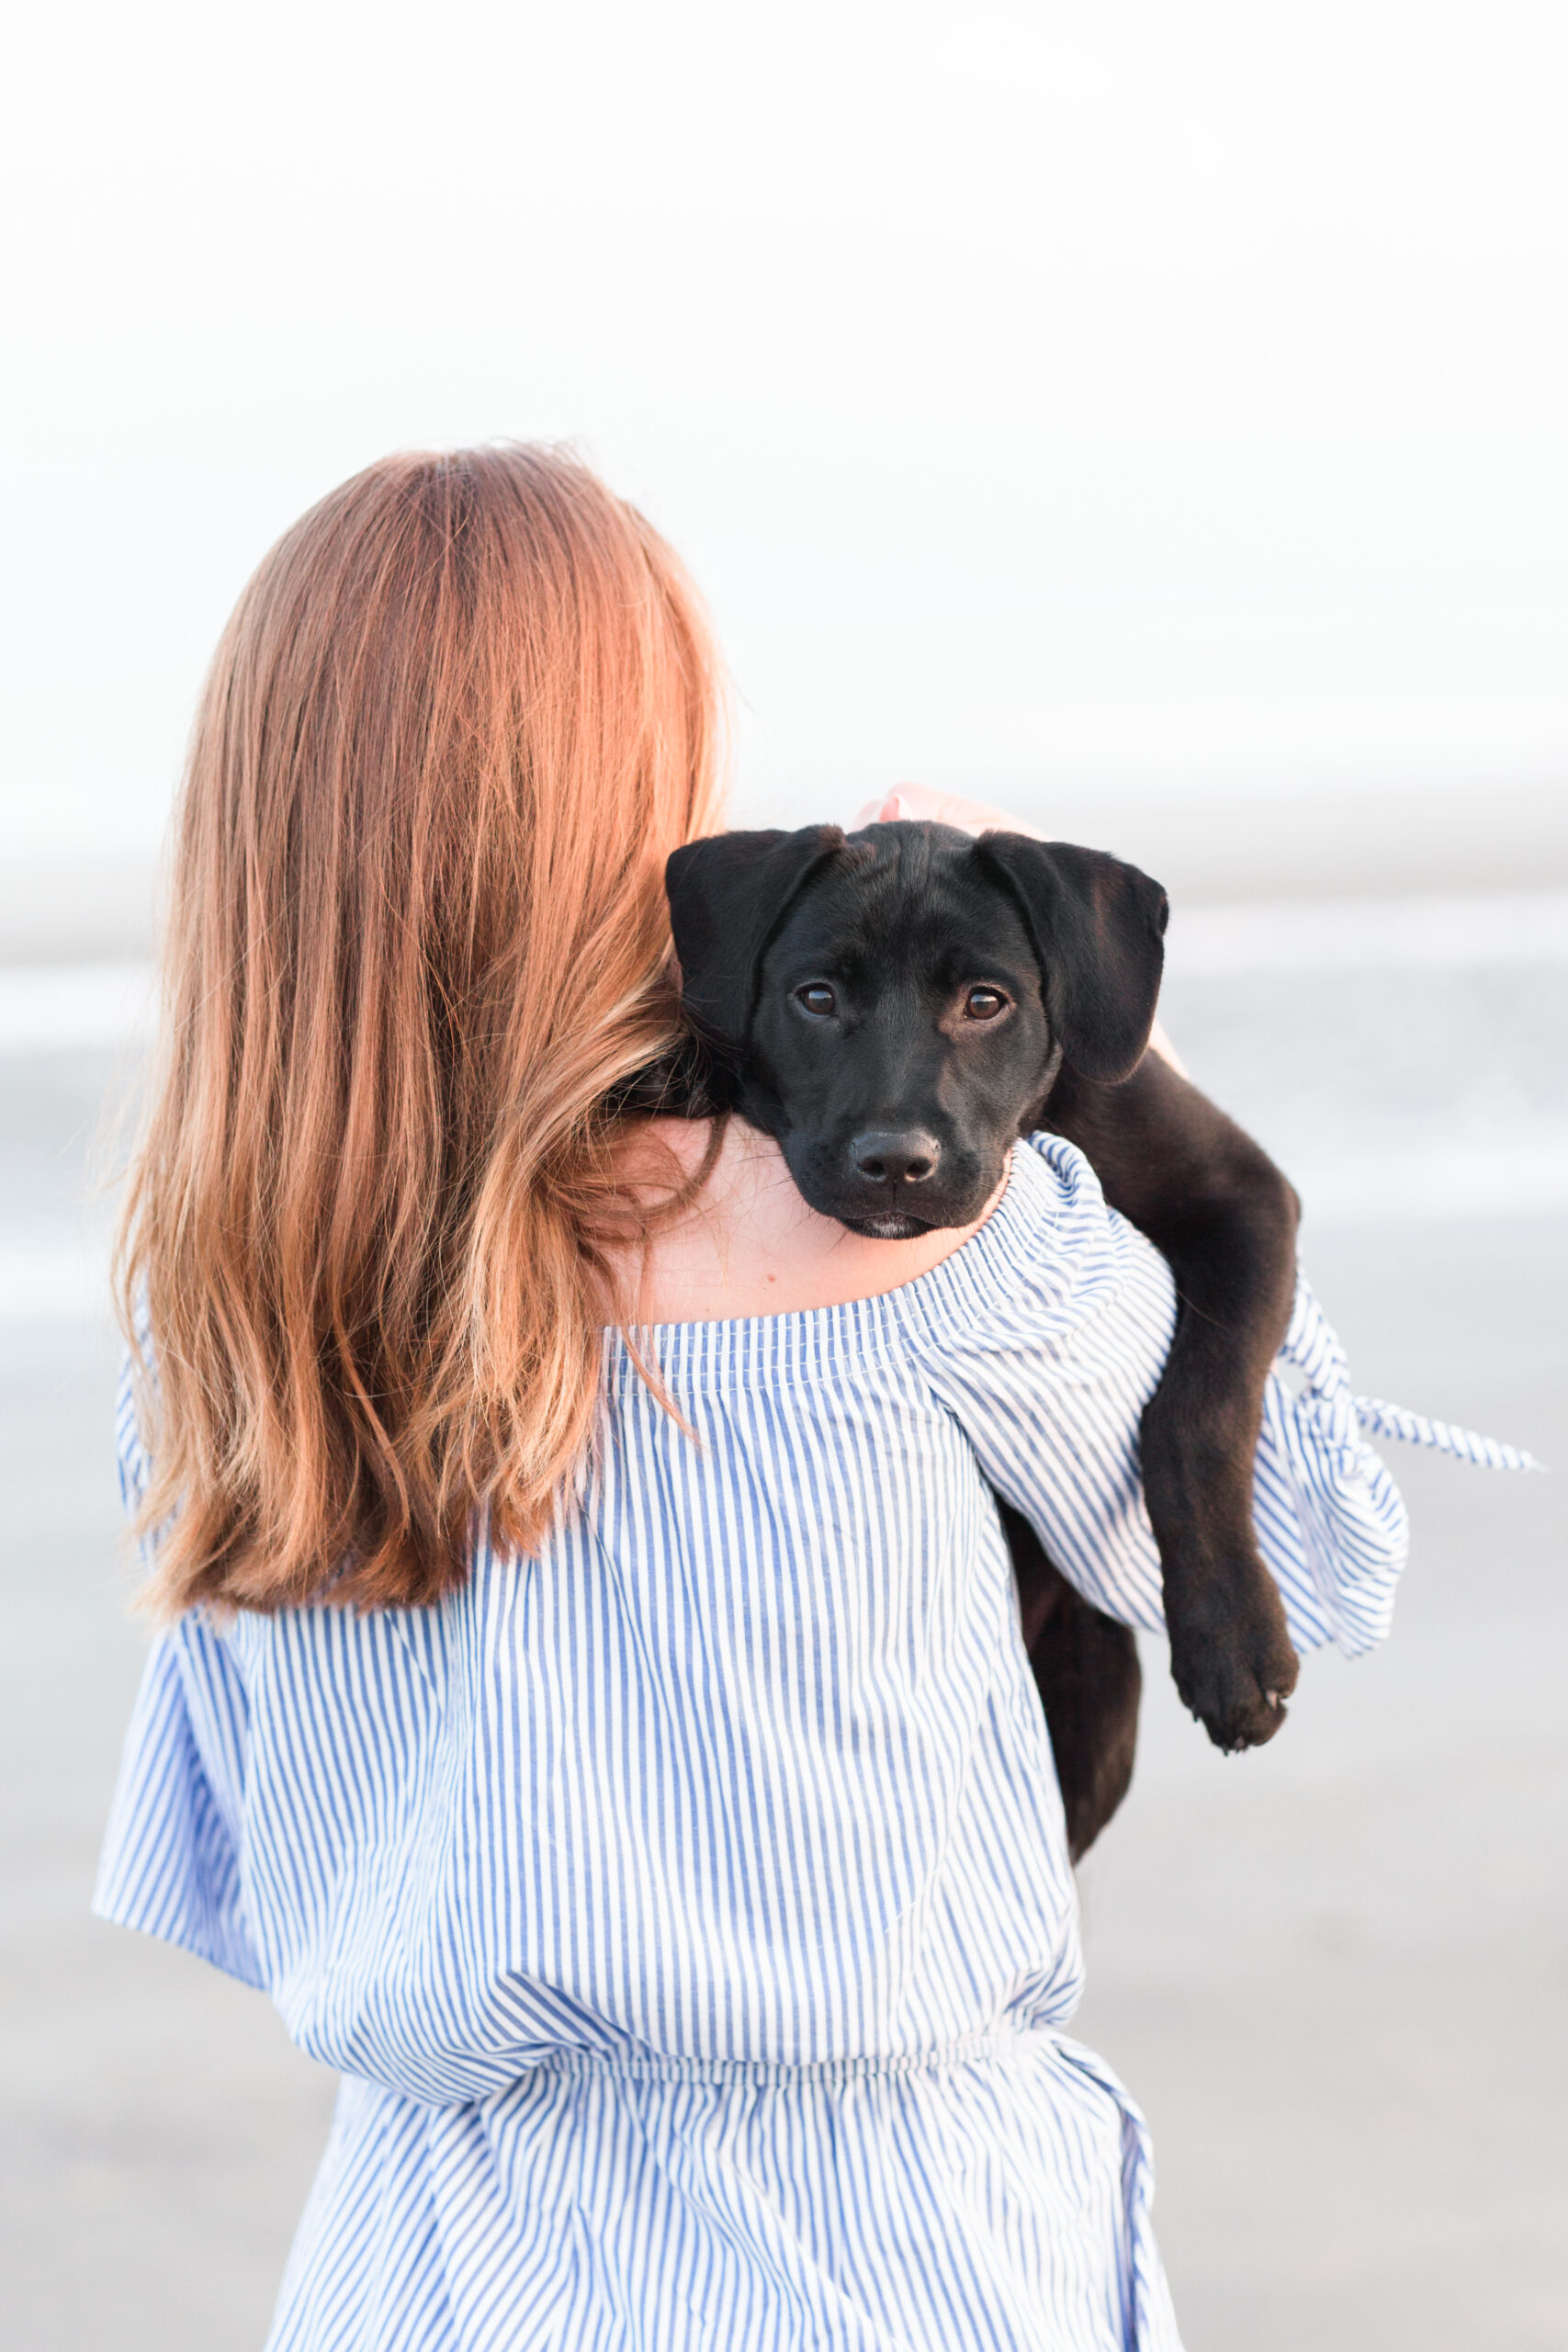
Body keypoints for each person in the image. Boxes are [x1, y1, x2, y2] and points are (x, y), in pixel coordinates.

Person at [95, 444, 1413, 2351]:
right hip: (866, 2259)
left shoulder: (217, 1310)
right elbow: (1322, 1543)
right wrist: (1103, 1019)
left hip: (416, 2256)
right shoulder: (908, 1244)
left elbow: (230, 1880)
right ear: (622, 791)